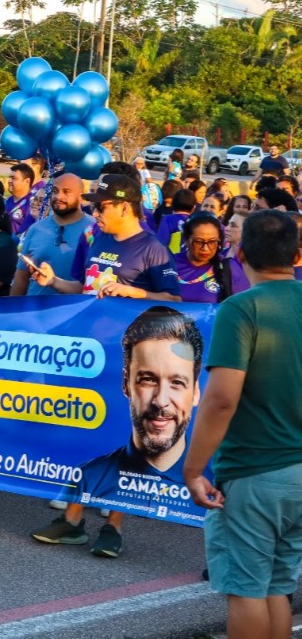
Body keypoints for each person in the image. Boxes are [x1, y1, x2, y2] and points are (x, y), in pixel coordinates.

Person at [182, 210, 302, 639]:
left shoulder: (241, 308)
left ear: (239, 251)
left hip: (255, 469)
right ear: (297, 254)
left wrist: (193, 469)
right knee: (276, 586)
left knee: (246, 588)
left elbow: (221, 398)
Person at [34, 306, 203, 558]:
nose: (161, 400)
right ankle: (71, 521)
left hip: (143, 310)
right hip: (112, 330)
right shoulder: (91, 469)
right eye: (148, 380)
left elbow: (172, 295)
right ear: (126, 383)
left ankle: (113, 526)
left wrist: (133, 296)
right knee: (106, 441)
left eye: (177, 383)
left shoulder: (206, 474)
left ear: (196, 391)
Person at [34, 175, 180, 301]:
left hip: (126, 331)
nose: (95, 213)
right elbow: (85, 287)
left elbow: (173, 300)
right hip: (90, 328)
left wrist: (134, 292)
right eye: (94, 206)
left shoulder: (154, 248)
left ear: (124, 208)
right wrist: (53, 280)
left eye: (101, 207)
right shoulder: (98, 237)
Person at [11, 173, 96, 296]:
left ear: (80, 197)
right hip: (35, 309)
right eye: (55, 191)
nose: (58, 196)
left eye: (66, 192)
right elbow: (21, 276)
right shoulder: (36, 229)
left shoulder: (94, 229)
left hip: (75, 310)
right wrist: (14, 310)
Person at [174, 212, 248, 304]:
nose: (205, 248)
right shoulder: (169, 263)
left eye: (212, 242)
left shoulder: (229, 269)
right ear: (186, 239)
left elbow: (244, 307)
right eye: (198, 242)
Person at [156, 188, 197, 253]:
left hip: (172, 259)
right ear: (193, 208)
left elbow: (161, 243)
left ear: (172, 205)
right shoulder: (196, 222)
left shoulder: (167, 220)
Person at [6, 163, 36, 235]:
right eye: (9, 177)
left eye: (14, 178)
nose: (9, 181)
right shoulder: (7, 201)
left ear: (27, 181)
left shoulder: (32, 204)